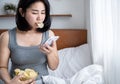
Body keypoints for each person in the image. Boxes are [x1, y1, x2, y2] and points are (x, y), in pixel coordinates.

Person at [0, 0, 59, 84]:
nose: (40, 17)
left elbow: (54, 67)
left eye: (43, 12)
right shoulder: (6, 36)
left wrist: (50, 53)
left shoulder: (49, 35)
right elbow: (2, 67)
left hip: (42, 81)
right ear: (22, 12)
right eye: (35, 13)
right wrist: (10, 82)